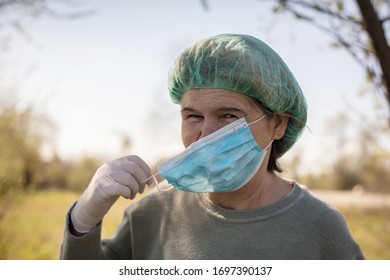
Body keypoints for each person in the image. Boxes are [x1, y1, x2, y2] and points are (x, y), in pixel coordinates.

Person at [60, 33, 364, 260]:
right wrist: (83, 221)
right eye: (193, 116)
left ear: (278, 124)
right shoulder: (150, 215)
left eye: (228, 116)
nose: (205, 134)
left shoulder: (321, 229)